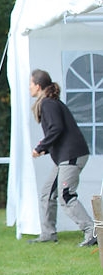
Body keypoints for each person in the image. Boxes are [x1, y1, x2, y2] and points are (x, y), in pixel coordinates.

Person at [29, 69, 96, 247]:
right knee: (46, 193)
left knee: (66, 195)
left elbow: (56, 129)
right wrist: (46, 149)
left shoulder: (48, 104)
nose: (29, 88)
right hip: (66, 156)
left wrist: (40, 147)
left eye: (31, 84)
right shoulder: (50, 103)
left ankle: (92, 232)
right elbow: (60, 132)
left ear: (38, 85)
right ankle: (48, 234)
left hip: (71, 156)